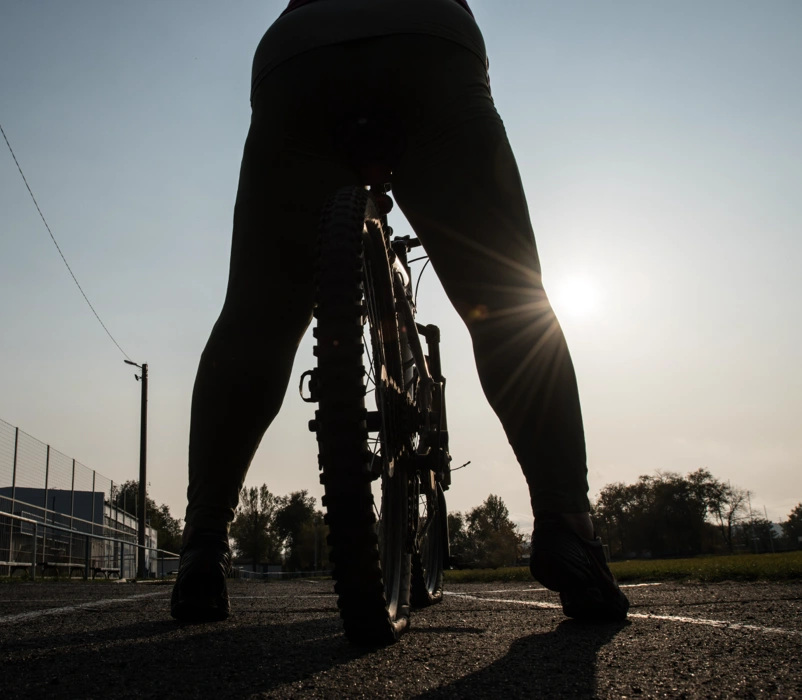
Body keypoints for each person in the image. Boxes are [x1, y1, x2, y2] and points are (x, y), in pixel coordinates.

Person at [171, 0, 629, 625]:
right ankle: (568, 526)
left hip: (301, 57)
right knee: (509, 303)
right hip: (427, 40)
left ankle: (201, 542)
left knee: (256, 318)